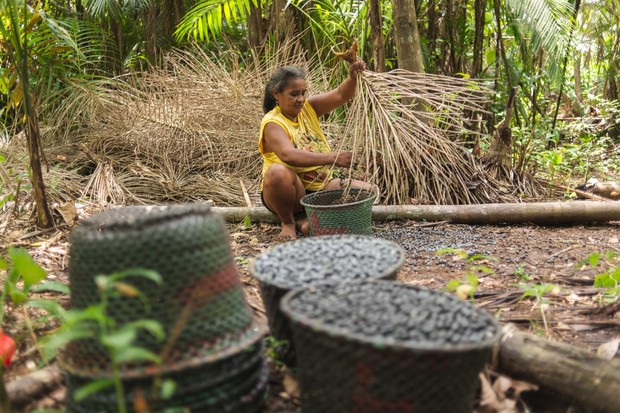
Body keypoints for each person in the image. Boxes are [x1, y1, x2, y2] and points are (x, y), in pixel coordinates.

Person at [258, 59, 373, 239]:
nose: (301, 99)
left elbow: (342, 95)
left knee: (368, 190)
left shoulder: (308, 108)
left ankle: (310, 219)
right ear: (276, 94)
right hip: (291, 193)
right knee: (277, 172)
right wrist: (332, 158)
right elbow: (288, 155)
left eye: (304, 93)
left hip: (320, 187)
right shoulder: (273, 122)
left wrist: (352, 77)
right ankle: (289, 221)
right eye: (294, 94)